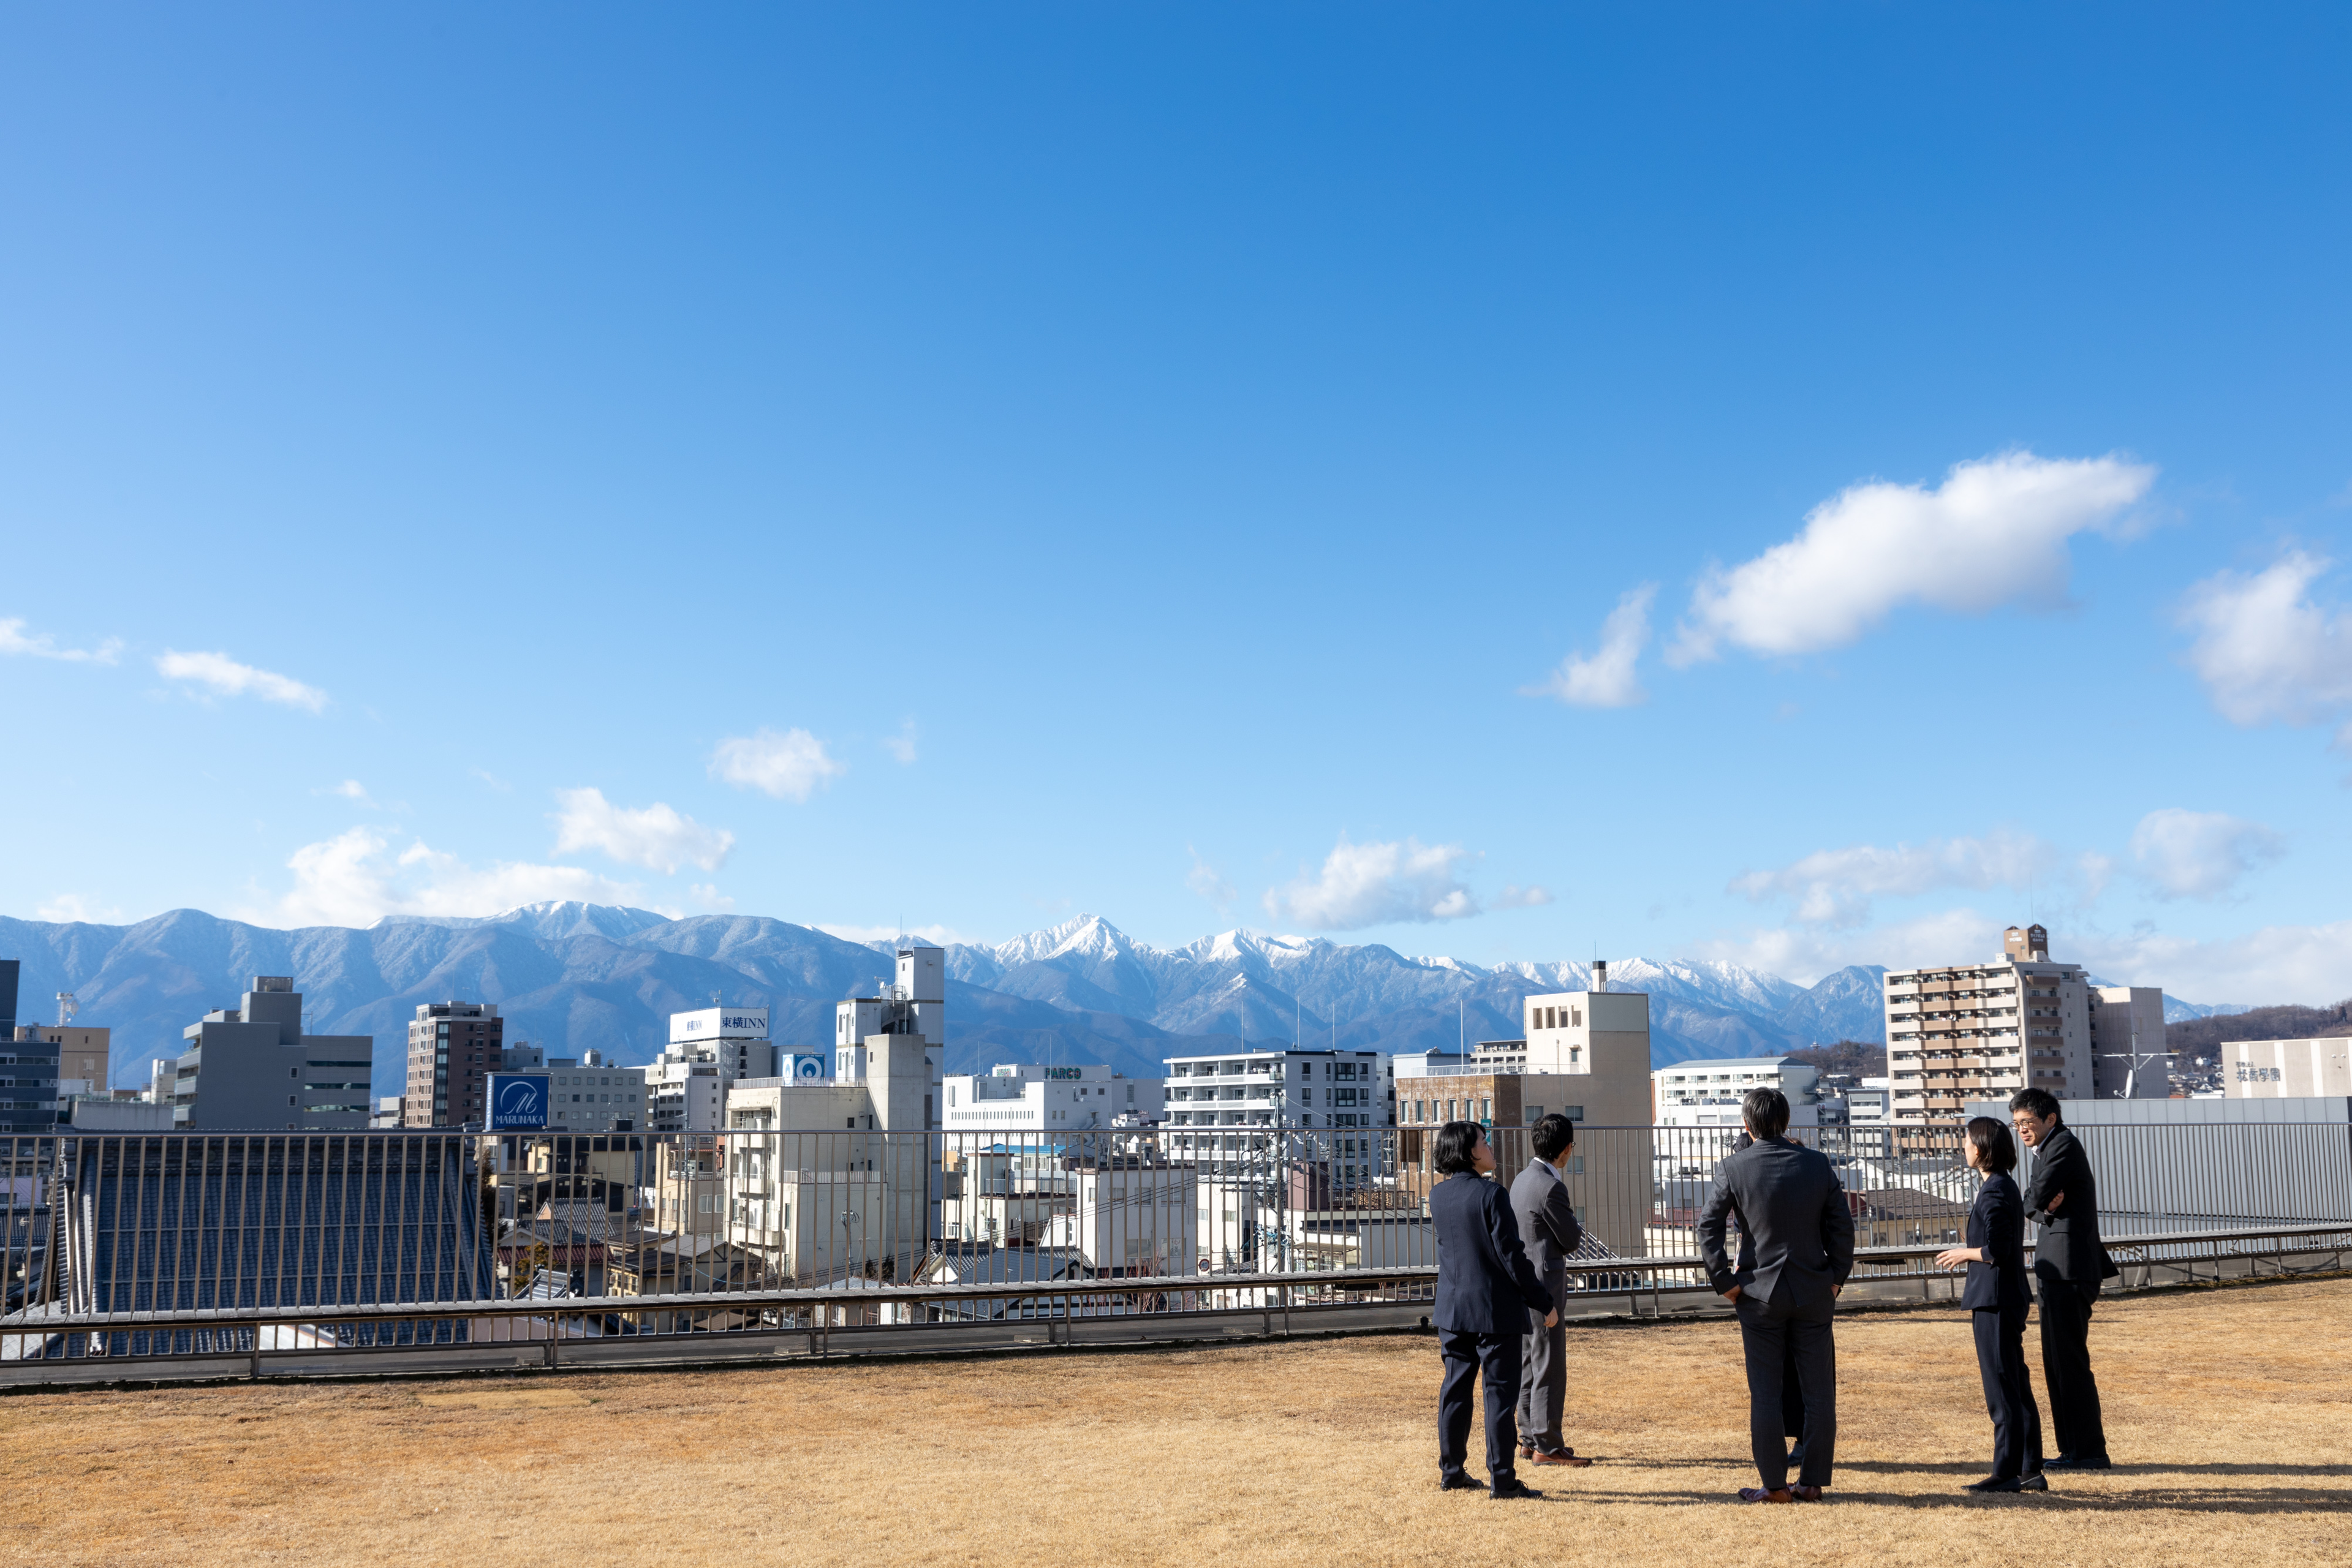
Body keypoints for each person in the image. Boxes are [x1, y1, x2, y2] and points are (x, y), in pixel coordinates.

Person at [1698, 1087, 1855, 1504]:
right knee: (1819, 1393)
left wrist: (1724, 1282)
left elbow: (1707, 1227)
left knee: (1765, 1393)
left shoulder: (1733, 1166)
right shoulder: (1817, 1164)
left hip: (1757, 1294)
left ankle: (1773, 1486)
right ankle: (1812, 1481)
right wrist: (1836, 1277)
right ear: (1786, 1122)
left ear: (1746, 1126)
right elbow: (1842, 1227)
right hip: (1814, 1290)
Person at [1431, 1119, 1557, 1500]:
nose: (1491, 1148)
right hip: (1493, 1310)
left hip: (1452, 1309)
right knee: (1498, 1396)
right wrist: (1543, 1302)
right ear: (1470, 1152)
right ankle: (1502, 1479)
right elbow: (1512, 1257)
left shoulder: (1438, 1196)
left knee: (1454, 1391)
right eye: (1485, 1142)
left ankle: (1452, 1472)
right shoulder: (1492, 1194)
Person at [1934, 1117, 2048, 1493]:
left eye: (1966, 1141)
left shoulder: (1996, 1190)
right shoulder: (2000, 1186)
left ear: (1980, 1149)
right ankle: (2030, 1467)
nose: (1963, 1147)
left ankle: (2007, 1472)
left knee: (2002, 1386)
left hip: (1996, 1298)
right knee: (2015, 1382)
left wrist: (1963, 1253)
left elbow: (1998, 1248)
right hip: (2004, 1296)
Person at [2010, 1088, 2116, 1470]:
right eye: (2017, 1123)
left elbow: (2033, 1196)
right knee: (2058, 1361)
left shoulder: (2062, 1146)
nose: (2022, 1130)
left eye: (2028, 1122)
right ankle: (2074, 1449)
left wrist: (2037, 1206)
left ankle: (2087, 1451)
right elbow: (2034, 1202)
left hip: (2070, 1269)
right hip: (2061, 1267)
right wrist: (2039, 1209)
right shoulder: (2049, 1149)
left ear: (2050, 1119)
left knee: (2068, 1361)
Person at [1510, 1112, 1592, 1468]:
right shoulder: (1551, 1186)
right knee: (1549, 1363)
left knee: (1529, 1361)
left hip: (1522, 1282)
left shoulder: (1521, 1180)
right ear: (1567, 1149)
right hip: (1546, 1284)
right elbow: (1572, 1239)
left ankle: (1529, 1438)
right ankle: (1547, 1443)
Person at [1731, 1129, 1808, 1469]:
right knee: (1800, 1373)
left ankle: (1788, 1455)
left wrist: (1730, 1281)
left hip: (1767, 1287)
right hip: (1799, 1285)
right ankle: (1804, 1450)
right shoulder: (1801, 1161)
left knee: (1775, 1380)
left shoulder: (1759, 1169)